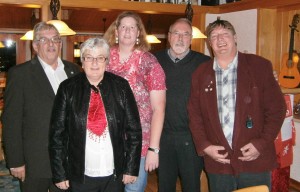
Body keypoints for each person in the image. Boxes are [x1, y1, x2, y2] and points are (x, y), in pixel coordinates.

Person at [187, 18, 286, 192]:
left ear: (235, 38)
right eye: (215, 36)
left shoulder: (259, 66)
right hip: (219, 161)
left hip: (254, 159)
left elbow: (277, 110)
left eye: (225, 34)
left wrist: (261, 143)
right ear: (210, 43)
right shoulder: (200, 73)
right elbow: (194, 115)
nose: (220, 40)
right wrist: (205, 146)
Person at [48, 37, 142, 192]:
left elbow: (134, 130)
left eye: (100, 58)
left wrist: (131, 168)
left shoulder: (121, 87)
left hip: (114, 174)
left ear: (107, 61)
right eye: (89, 58)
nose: (95, 63)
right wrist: (60, 173)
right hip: (80, 174)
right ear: (82, 62)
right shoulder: (67, 88)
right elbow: (57, 135)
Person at [1, 21, 80, 192]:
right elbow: (11, 121)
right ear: (35, 46)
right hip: (34, 163)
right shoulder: (20, 74)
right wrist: (15, 161)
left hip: (68, 161)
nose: (51, 44)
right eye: (44, 40)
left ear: (60, 43)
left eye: (55, 39)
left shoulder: (74, 71)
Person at [103, 11, 166, 192]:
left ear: (139, 33)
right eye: (123, 27)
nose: (128, 31)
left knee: (133, 189)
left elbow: (159, 108)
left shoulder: (149, 62)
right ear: (116, 31)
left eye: (132, 27)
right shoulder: (103, 59)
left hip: (138, 142)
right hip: (106, 140)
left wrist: (154, 149)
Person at [154, 18, 210, 192]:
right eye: (176, 33)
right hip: (162, 136)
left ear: (191, 39)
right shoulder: (154, 61)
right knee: (165, 185)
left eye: (186, 34)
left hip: (192, 138)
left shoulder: (205, 63)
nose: (180, 38)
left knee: (192, 186)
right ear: (169, 36)